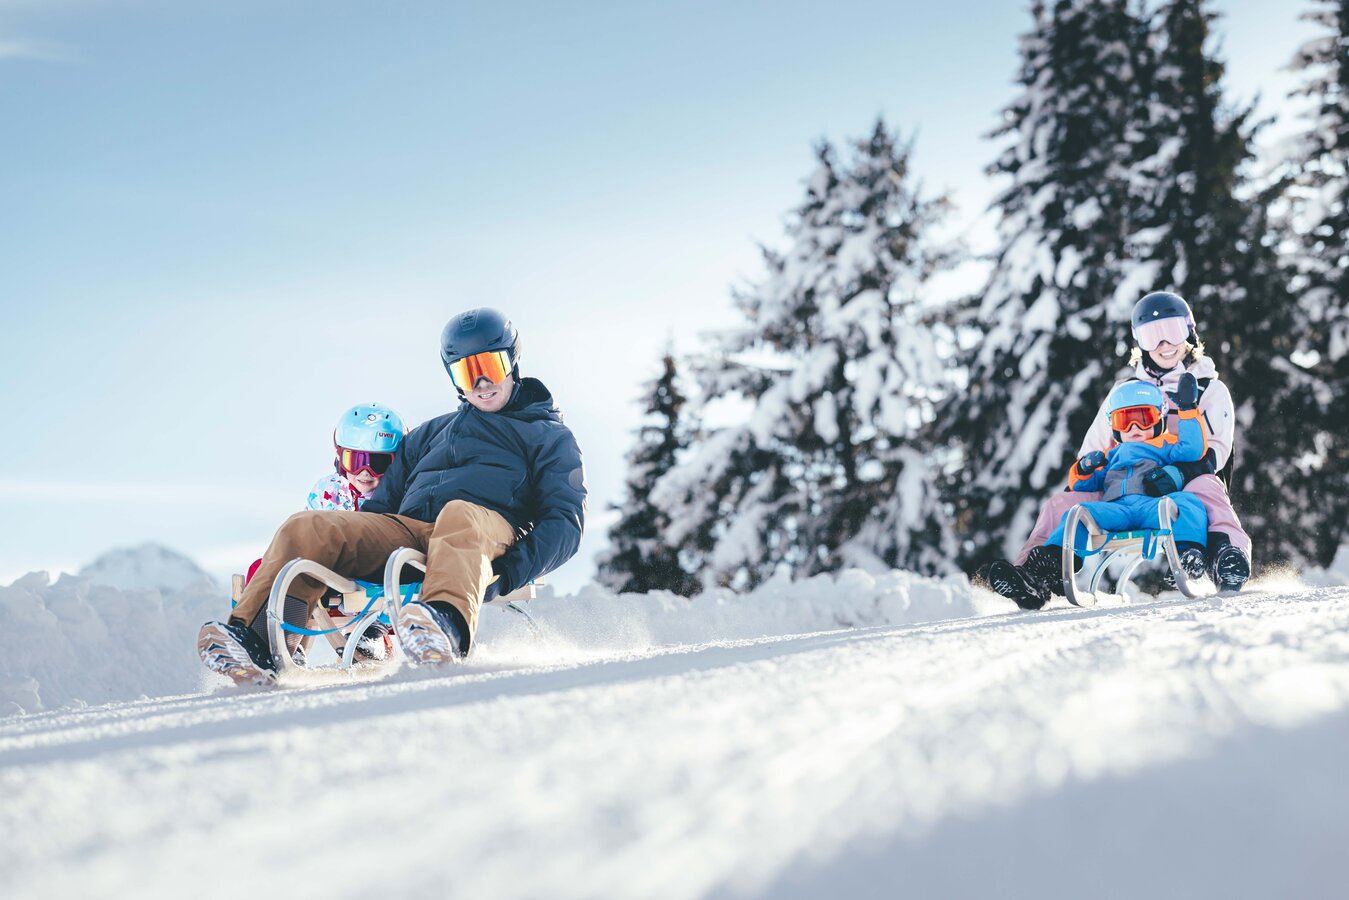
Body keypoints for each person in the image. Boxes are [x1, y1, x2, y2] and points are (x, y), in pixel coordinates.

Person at [198, 308, 587, 685]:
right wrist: (347, 554)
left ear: (512, 361)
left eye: (490, 366)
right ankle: (257, 642)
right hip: (411, 532)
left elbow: (565, 522)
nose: (482, 383)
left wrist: (508, 572)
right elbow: (380, 510)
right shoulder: (429, 433)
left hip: (486, 531)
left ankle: (445, 625)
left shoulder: (549, 436)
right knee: (308, 526)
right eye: (468, 372)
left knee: (459, 515)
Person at [1011, 291, 1252, 593]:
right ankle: (1033, 575)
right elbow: (1094, 447)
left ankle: (1226, 555)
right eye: (1153, 336)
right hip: (1122, 489)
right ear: (1140, 342)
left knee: (1207, 486)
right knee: (1061, 504)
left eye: (1172, 331)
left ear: (1189, 333)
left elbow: (1217, 452)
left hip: (1185, 484)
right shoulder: (1123, 393)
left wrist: (1178, 473)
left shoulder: (1209, 389)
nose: (1164, 344)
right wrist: (1088, 471)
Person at [989, 375, 1209, 609]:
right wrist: (1084, 468)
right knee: (1078, 513)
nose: (1134, 428)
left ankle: (1188, 556)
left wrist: (1188, 410)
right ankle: (1048, 566)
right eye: (1125, 421)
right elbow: (1081, 485)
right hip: (1116, 509)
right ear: (1114, 427)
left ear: (1158, 418)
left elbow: (1193, 450)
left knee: (1188, 502)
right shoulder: (1111, 455)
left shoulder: (1165, 445)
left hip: (1152, 506)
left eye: (1143, 419)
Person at [307, 402, 407, 512]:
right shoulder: (326, 489)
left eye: (377, 464)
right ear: (340, 457)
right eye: (355, 462)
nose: (365, 472)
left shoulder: (398, 498)